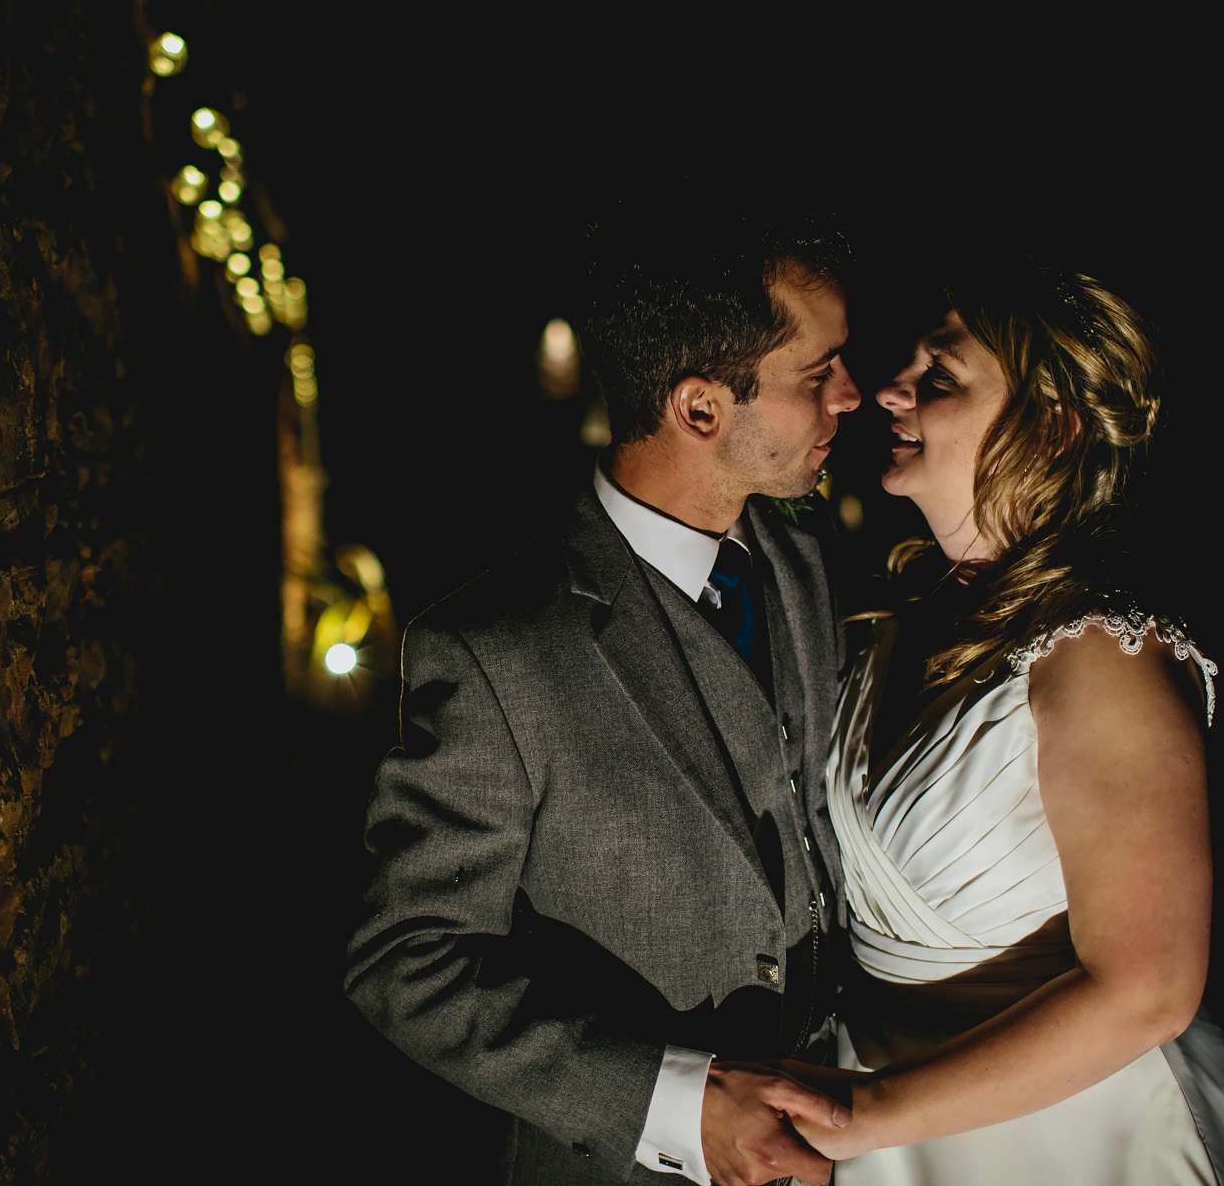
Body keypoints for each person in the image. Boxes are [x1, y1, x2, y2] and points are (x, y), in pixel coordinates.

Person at [785, 258, 1224, 1183]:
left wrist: (870, 1113)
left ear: (1050, 427)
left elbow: (1152, 987)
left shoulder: (1102, 656)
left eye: (940, 378)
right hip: (882, 1114)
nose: (890, 391)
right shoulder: (900, 629)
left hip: (1074, 1135)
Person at [345, 204, 866, 1185]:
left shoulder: (802, 559)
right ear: (700, 407)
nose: (849, 393)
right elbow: (407, 963)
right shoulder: (495, 649)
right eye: (816, 374)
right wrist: (672, 1104)